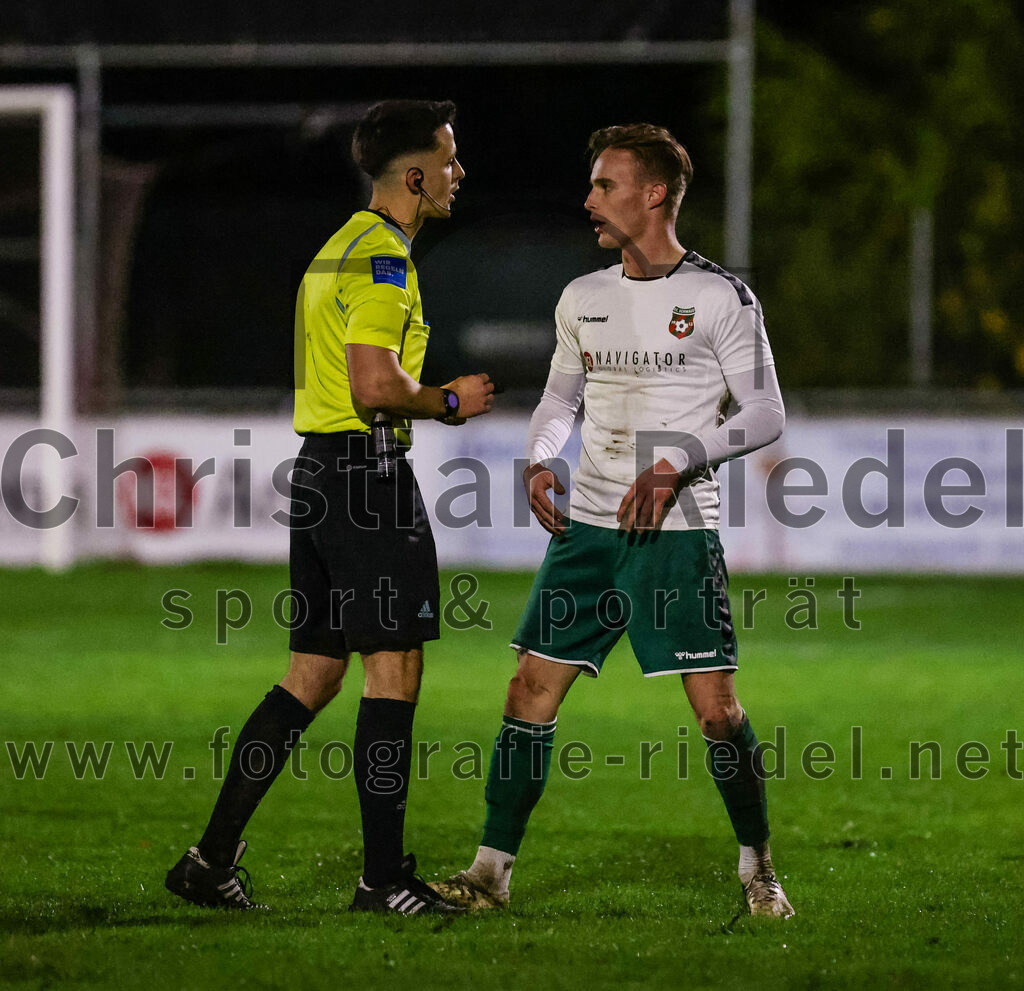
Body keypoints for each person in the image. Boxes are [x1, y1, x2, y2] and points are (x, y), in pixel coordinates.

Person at [431, 123, 793, 918]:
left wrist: (679, 461)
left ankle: (758, 865)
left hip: (676, 534)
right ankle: (490, 873)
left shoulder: (719, 297)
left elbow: (766, 412)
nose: (589, 200)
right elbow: (561, 398)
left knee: (716, 712)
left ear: (655, 193)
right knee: (528, 691)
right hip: (587, 531)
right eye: (592, 185)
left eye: (606, 185)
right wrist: (539, 457)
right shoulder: (582, 297)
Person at [165, 99, 494, 916]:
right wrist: (451, 401)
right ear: (412, 176)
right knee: (397, 671)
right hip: (367, 480)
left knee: (311, 673)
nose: (460, 173)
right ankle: (383, 879)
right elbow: (374, 384)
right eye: (449, 160)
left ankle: (210, 860)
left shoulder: (333, 247)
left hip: (318, 472)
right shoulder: (384, 257)